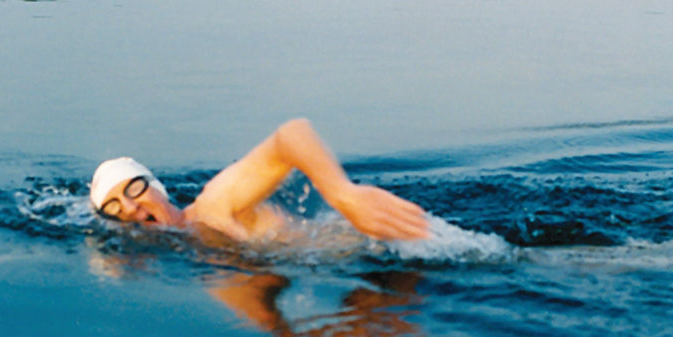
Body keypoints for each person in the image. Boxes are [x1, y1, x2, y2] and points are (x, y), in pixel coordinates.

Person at [89, 118, 430, 242]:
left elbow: (291, 136)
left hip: (401, 241)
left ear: (156, 187)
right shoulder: (195, 243)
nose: (131, 207)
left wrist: (345, 196)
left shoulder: (213, 205)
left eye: (133, 188)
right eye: (114, 207)